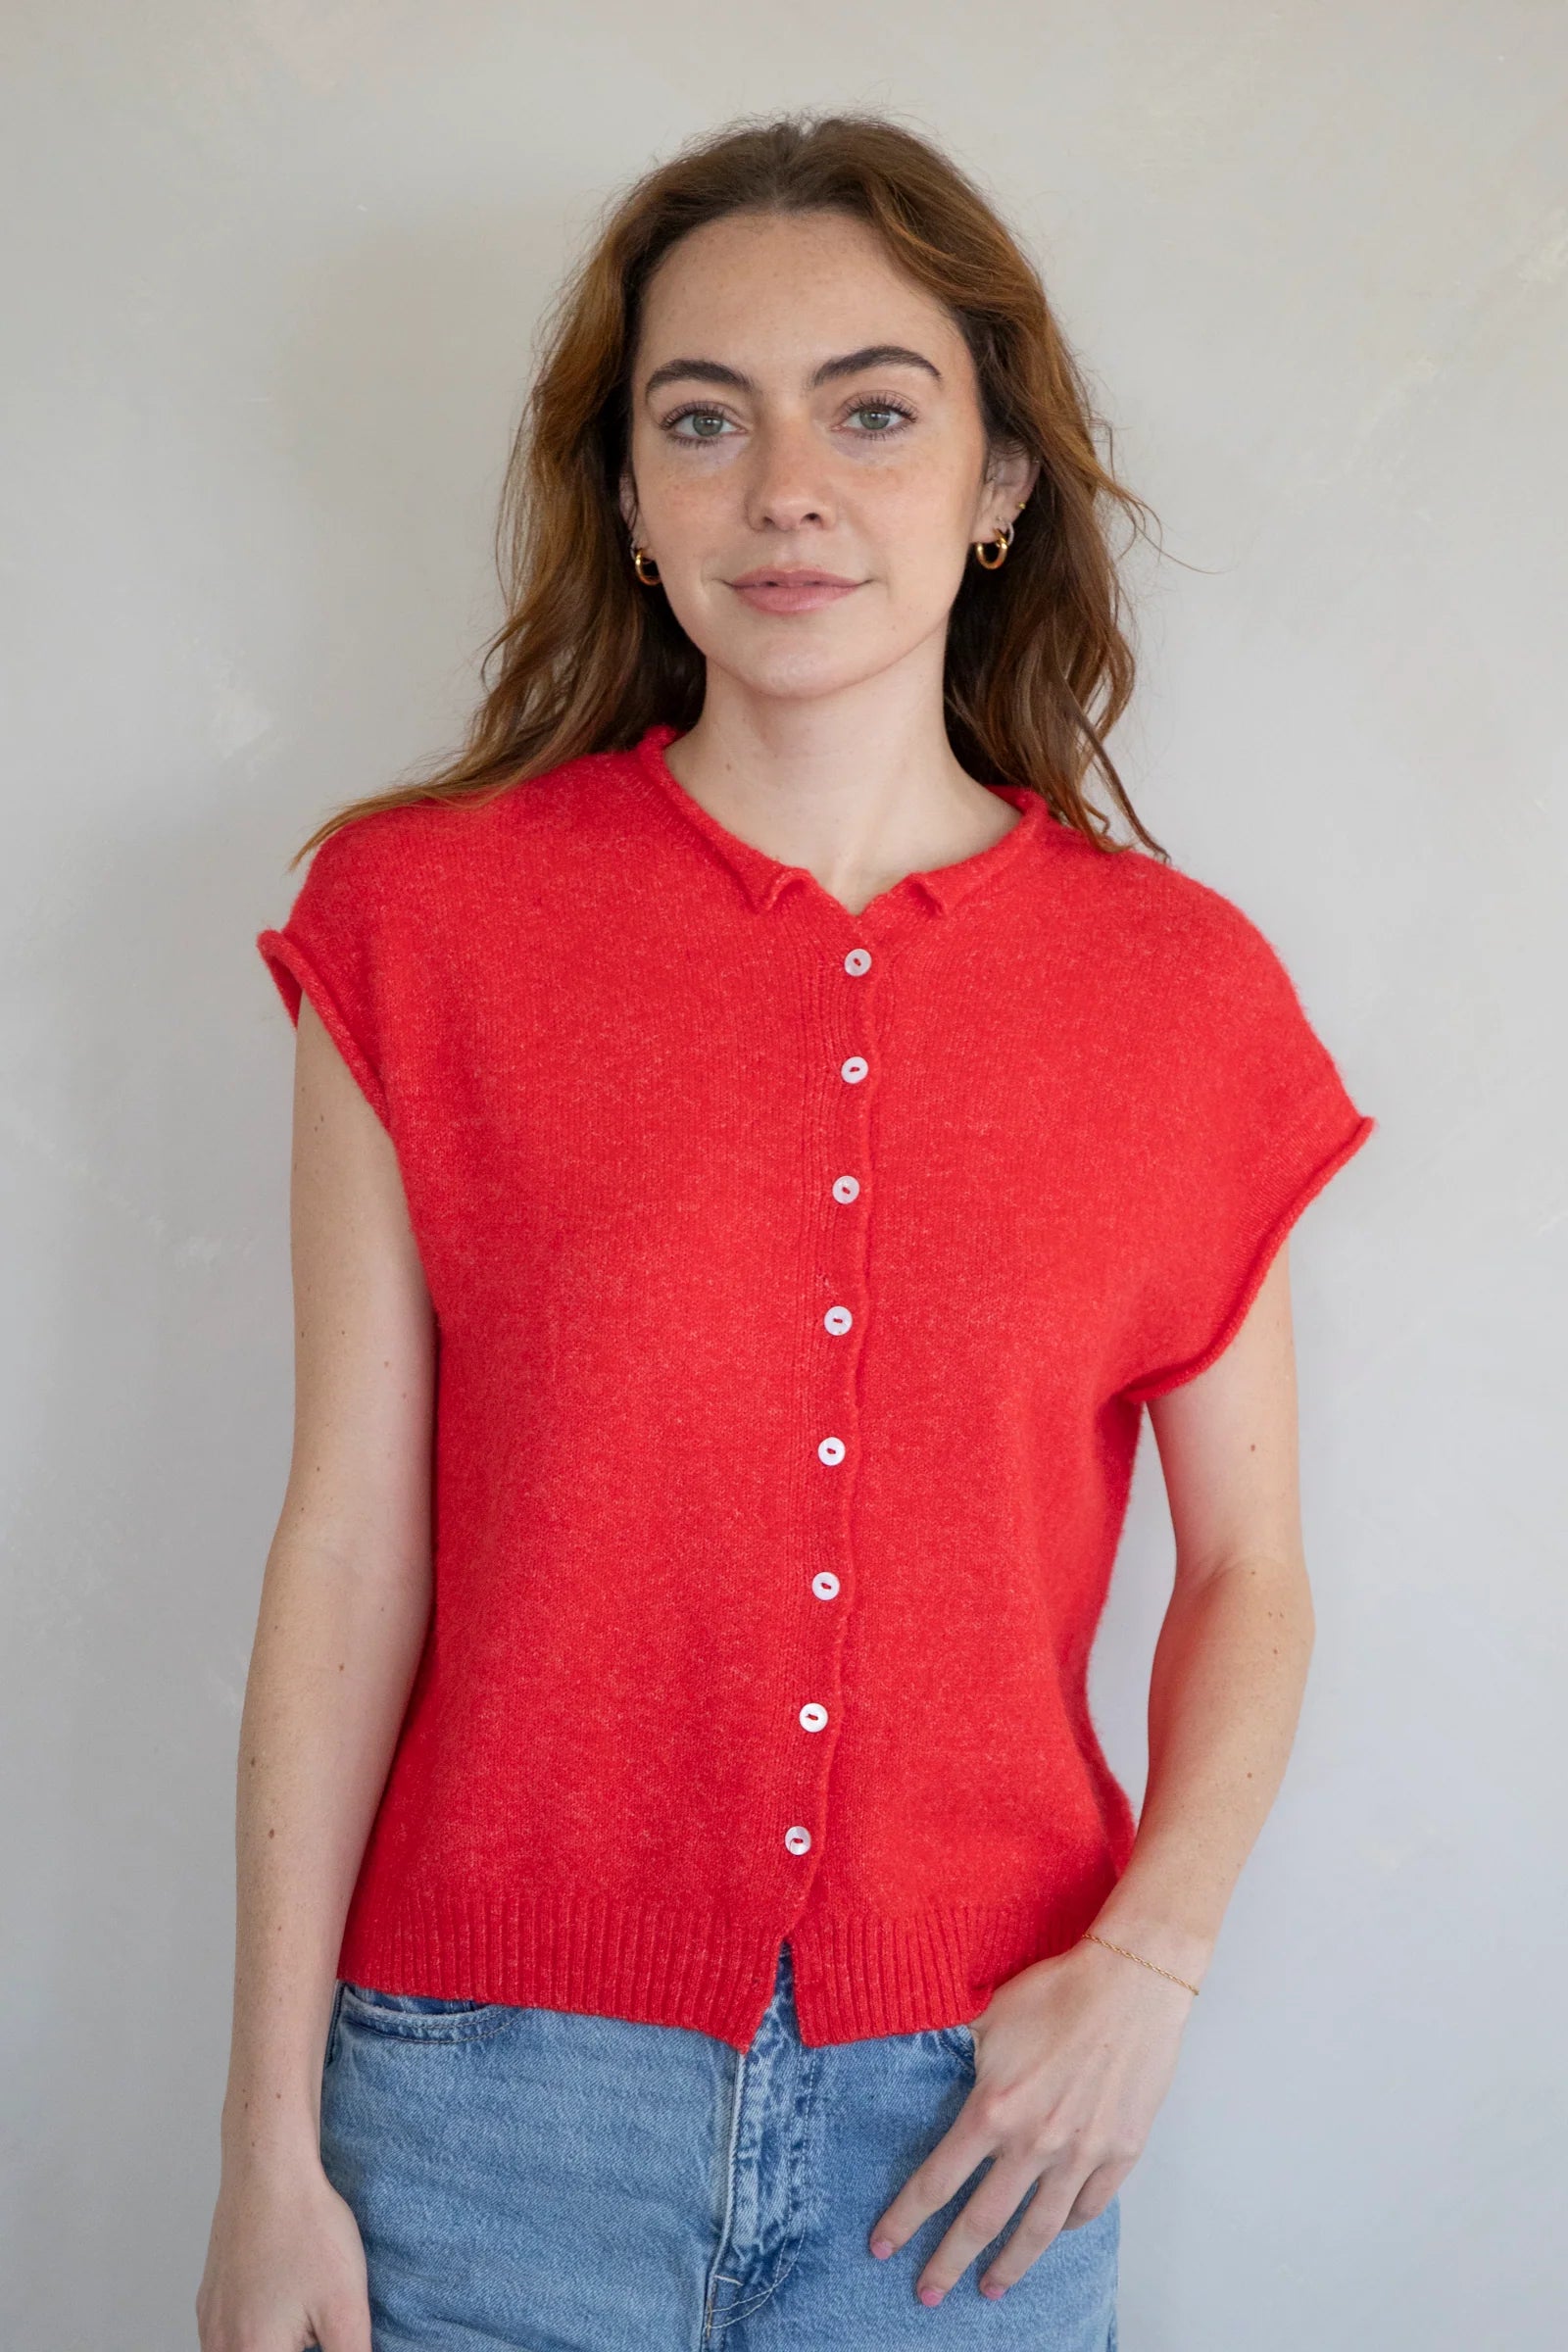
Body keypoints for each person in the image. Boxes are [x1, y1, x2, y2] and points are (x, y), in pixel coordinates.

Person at [198, 110, 1375, 2351]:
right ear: (627, 502)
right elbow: (345, 1546)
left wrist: (1147, 1965)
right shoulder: (419, 926)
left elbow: (1251, 1570)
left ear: (997, 486)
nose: (786, 490)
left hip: (972, 2136)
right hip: (476, 2114)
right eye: (701, 421)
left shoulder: (1182, 995)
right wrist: (264, 2157)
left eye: (872, 411)